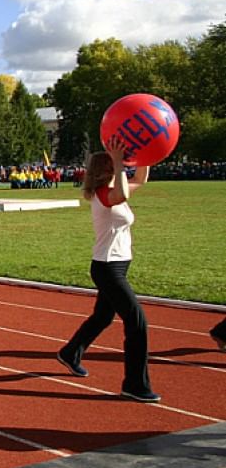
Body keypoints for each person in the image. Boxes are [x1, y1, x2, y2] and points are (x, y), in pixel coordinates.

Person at [56, 137, 161, 403]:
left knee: (102, 317)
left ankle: (71, 352)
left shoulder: (113, 190)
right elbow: (123, 192)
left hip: (117, 265)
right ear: (105, 170)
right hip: (107, 268)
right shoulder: (105, 195)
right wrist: (118, 162)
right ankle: (135, 384)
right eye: (115, 164)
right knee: (137, 323)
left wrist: (145, 153)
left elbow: (141, 178)